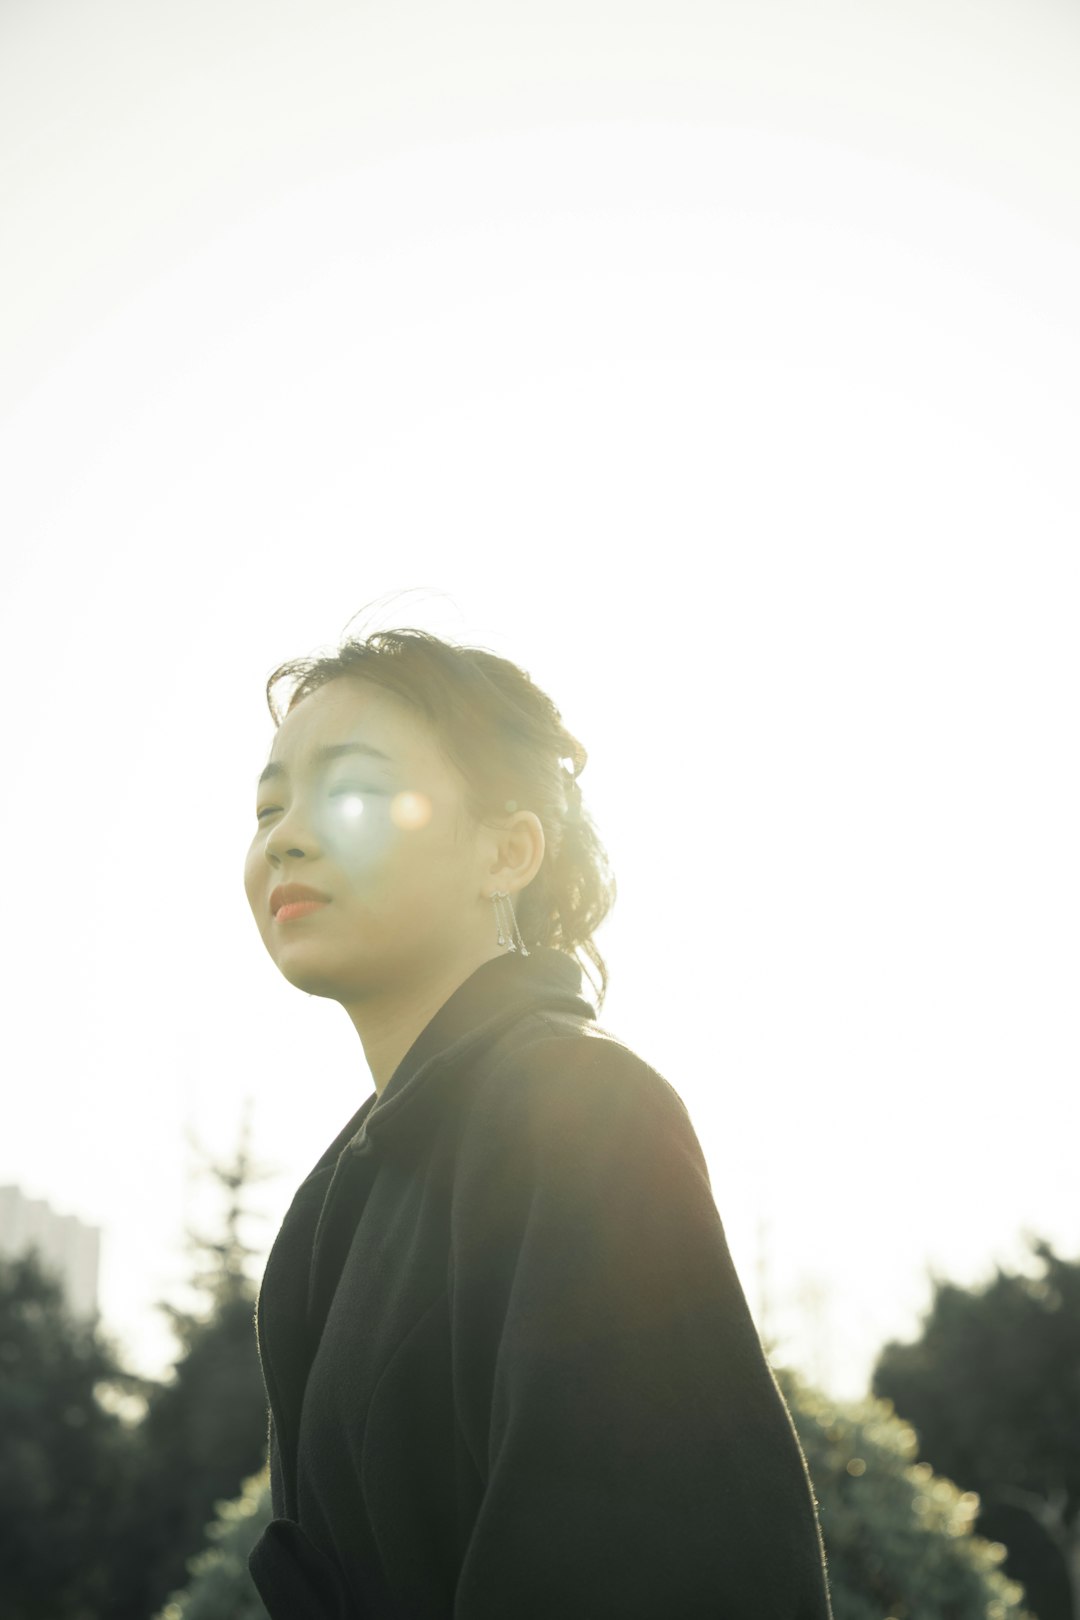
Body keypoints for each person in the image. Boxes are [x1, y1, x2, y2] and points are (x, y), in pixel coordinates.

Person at [242, 624, 834, 1620]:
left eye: (347, 793)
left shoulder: (583, 1114)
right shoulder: (338, 1197)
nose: (286, 835)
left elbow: (668, 1573)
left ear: (508, 851)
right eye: (268, 806)